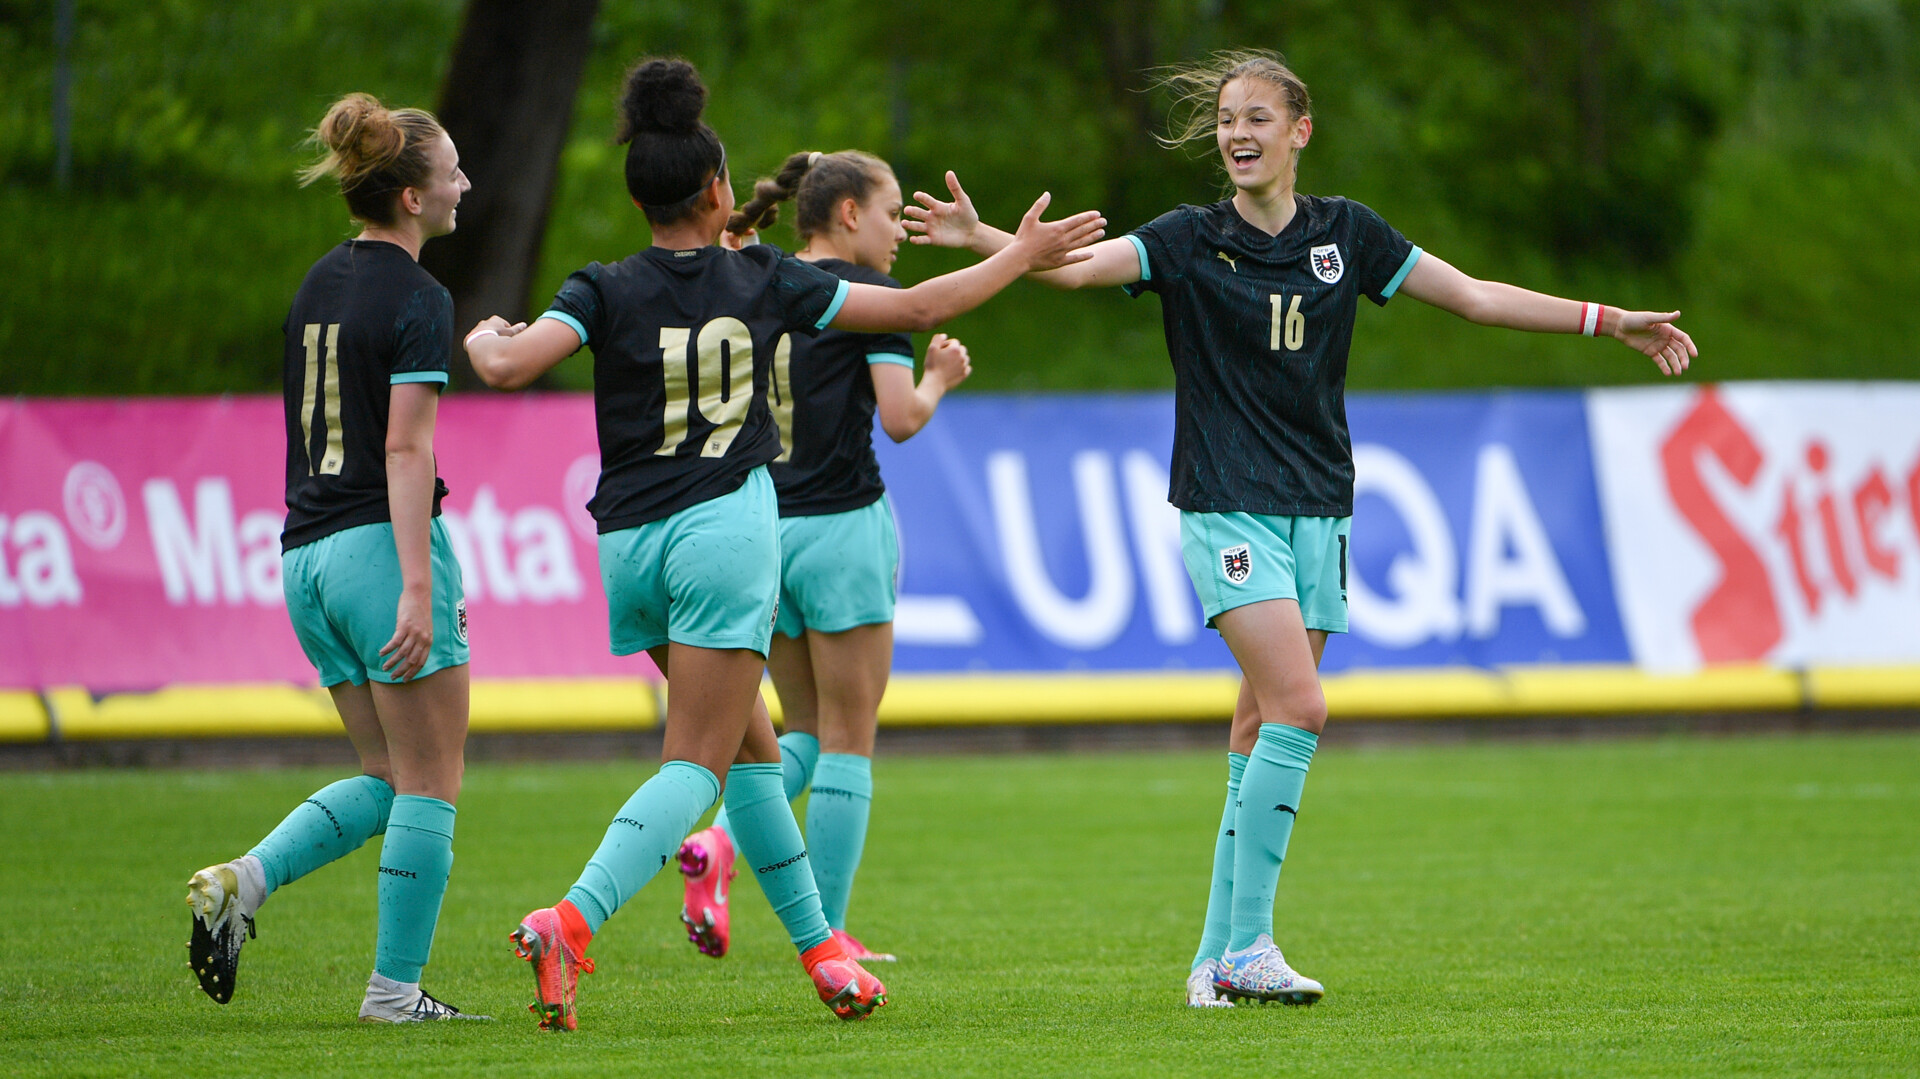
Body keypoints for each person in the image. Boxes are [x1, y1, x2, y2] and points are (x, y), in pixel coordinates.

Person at [904, 48, 1695, 1008]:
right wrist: (985, 235)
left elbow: (1477, 296)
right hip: (1225, 500)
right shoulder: (1189, 239)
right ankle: (1253, 945)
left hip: (1320, 504)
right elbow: (1071, 273)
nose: (1236, 134)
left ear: (1299, 131)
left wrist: (1606, 320)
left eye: (1256, 119)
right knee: (1303, 707)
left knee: (1258, 722)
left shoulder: (1347, 236)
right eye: (1227, 120)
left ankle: (1213, 958)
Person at [464, 57, 1102, 1030]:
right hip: (723, 533)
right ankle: (572, 919)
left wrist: (484, 335)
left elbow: (507, 363)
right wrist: (1017, 253)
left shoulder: (602, 287)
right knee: (697, 765)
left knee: (759, 750)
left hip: (631, 539)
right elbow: (918, 307)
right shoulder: (768, 278)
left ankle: (824, 954)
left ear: (641, 193)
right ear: (719, 191)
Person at [185, 93, 484, 1023]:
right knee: (431, 780)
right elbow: (404, 449)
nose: (465, 184)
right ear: (410, 198)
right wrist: (419, 585)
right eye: (452, 172)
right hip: (375, 552)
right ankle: (394, 993)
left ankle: (248, 878)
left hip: (304, 555)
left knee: (387, 776)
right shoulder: (422, 297)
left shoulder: (317, 281)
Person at [672, 149, 971, 966]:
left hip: (768, 532)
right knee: (849, 734)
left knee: (798, 729)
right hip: (843, 526)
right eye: (887, 214)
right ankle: (830, 930)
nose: (897, 233)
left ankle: (723, 839)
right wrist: (939, 375)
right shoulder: (866, 297)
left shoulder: (755, 281)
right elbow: (901, 417)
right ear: (847, 215)